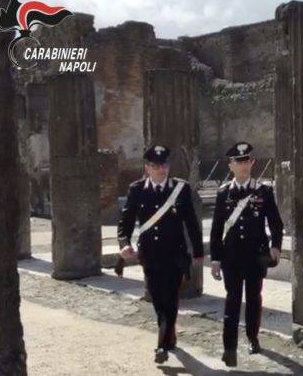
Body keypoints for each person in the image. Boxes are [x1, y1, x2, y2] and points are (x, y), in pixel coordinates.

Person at [117, 144, 204, 364]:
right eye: (156, 165)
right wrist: (124, 242)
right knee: (157, 299)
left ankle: (162, 345)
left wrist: (198, 252)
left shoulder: (180, 189)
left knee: (170, 298)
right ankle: (168, 331)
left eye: (164, 164)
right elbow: (126, 220)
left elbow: (192, 223)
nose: (161, 169)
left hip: (174, 255)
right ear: (147, 167)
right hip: (150, 255)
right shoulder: (137, 189)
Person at [210, 141, 284, 367]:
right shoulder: (224, 193)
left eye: (247, 161)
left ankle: (253, 338)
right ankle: (229, 348)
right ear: (230, 165)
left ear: (252, 162)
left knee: (253, 299)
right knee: (232, 300)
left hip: (255, 255)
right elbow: (216, 229)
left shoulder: (264, 191)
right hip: (231, 256)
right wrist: (215, 259)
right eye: (238, 162)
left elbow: (275, 223)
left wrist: (276, 246)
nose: (243, 166)